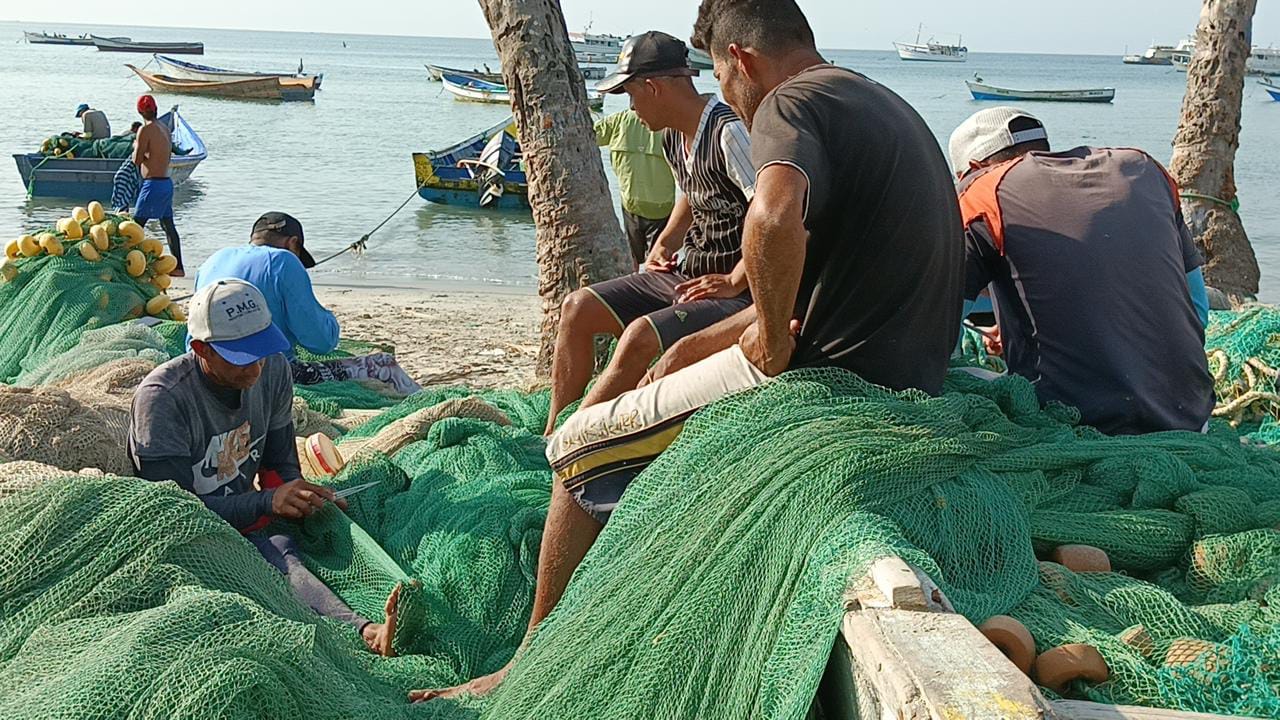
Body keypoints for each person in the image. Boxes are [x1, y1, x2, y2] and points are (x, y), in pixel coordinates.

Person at [410, 0, 962, 702]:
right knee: (672, 359)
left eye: (725, 81)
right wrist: (731, 330)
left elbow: (772, 214)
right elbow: (818, 270)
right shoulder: (878, 100)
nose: (727, 100)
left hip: (841, 380)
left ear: (741, 60)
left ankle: (528, 659)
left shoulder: (786, 103)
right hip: (908, 369)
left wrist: (764, 337)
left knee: (581, 443)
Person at [129, 279, 402, 655]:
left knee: (301, 540)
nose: (255, 367)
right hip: (191, 538)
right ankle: (364, 632)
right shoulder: (162, 401)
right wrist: (266, 503)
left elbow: (279, 465)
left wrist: (299, 495)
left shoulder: (273, 369)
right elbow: (176, 515)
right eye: (241, 357)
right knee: (275, 556)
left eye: (261, 350)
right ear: (201, 349)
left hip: (248, 514)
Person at [541, 30, 756, 435]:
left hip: (733, 292)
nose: (631, 108)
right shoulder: (673, 135)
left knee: (640, 335)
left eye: (630, 95)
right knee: (577, 308)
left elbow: (776, 216)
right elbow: (692, 195)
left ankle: (576, 438)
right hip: (685, 275)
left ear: (652, 88)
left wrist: (735, 279)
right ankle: (554, 429)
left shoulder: (730, 134)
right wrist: (665, 243)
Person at [948, 107, 1214, 434]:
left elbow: (937, 339)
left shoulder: (982, 196)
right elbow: (1197, 311)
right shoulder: (1145, 170)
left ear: (973, 169)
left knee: (956, 377)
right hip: (1191, 417)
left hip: (1073, 426)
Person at [194, 212, 420, 395]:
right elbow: (321, 342)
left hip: (207, 365)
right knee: (383, 364)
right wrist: (328, 318)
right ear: (294, 243)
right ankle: (422, 402)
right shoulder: (283, 261)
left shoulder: (213, 260)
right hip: (258, 371)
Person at [594, 108, 676, 266]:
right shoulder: (669, 124)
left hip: (631, 203)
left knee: (632, 260)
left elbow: (590, 136)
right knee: (659, 260)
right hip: (661, 204)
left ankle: (632, 287)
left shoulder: (618, 120)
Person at [132, 94, 184, 276]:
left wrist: (136, 146)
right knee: (168, 225)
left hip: (152, 185)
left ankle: (129, 266)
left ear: (140, 112)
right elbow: (163, 156)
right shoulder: (164, 128)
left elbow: (137, 160)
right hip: (165, 183)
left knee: (134, 227)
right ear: (156, 110)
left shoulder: (145, 130)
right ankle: (178, 268)